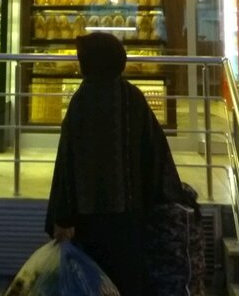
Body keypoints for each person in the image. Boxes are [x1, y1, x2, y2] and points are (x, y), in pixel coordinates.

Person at [44, 31, 184, 295]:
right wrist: (160, 198)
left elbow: (67, 163)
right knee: (128, 279)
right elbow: (155, 152)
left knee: (93, 281)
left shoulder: (82, 101)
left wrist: (62, 216)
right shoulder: (131, 98)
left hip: (89, 220)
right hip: (130, 216)